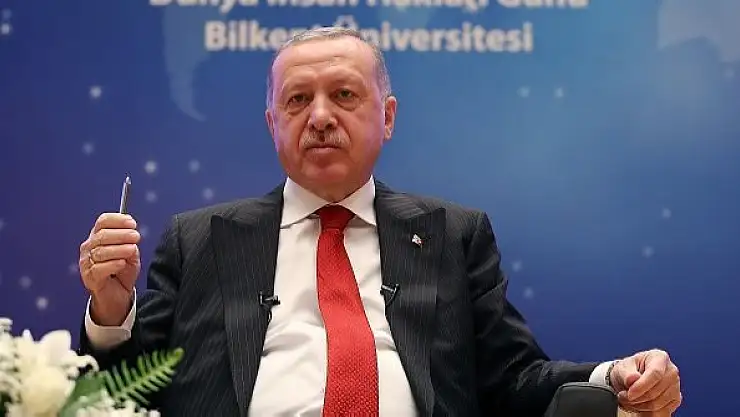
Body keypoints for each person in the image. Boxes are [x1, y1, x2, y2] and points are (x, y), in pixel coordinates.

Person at [77, 27, 682, 417]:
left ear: (387, 117)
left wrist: (613, 377)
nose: (319, 117)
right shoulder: (200, 239)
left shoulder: (453, 235)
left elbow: (512, 379)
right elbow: (124, 394)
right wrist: (110, 310)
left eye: (344, 95)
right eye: (297, 100)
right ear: (272, 124)